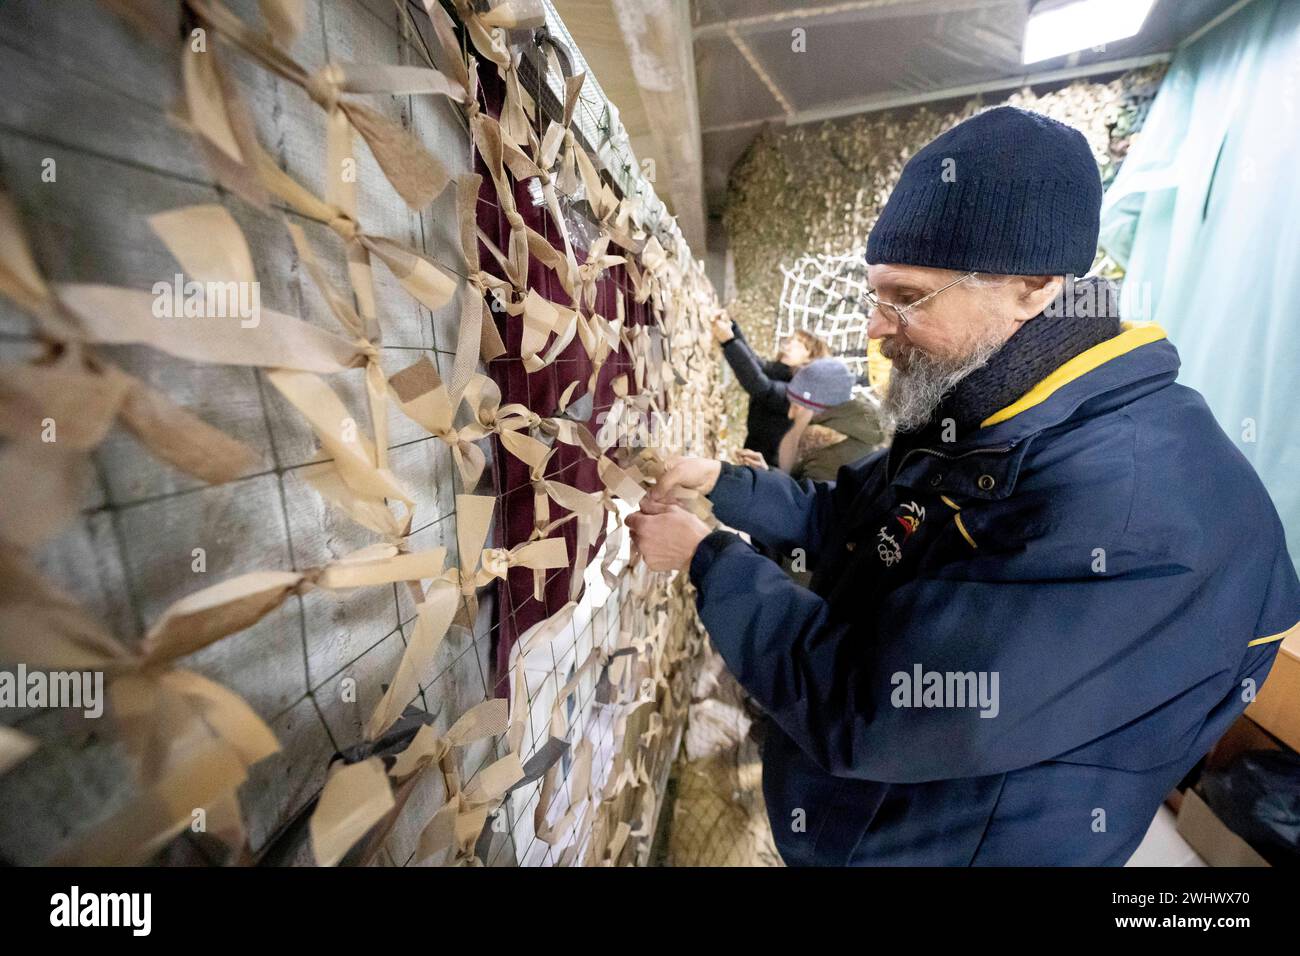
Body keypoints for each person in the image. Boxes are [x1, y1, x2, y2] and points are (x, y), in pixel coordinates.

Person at [626, 106, 1300, 865]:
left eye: (906, 297)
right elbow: (861, 520)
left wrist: (710, 561)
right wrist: (726, 485)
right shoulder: (978, 405)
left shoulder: (1138, 516)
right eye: (875, 293)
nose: (877, 328)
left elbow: (878, 706)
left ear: (1033, 287)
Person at [712, 316, 830, 467]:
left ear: (810, 358)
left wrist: (728, 341)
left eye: (800, 344)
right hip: (753, 456)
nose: (791, 343)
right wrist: (732, 328)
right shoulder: (780, 372)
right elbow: (754, 362)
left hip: (768, 469)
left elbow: (761, 387)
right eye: (793, 339)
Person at [777, 358, 883, 481]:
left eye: (796, 407)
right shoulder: (849, 432)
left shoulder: (831, 456)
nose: (790, 414)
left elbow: (803, 499)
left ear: (816, 407)